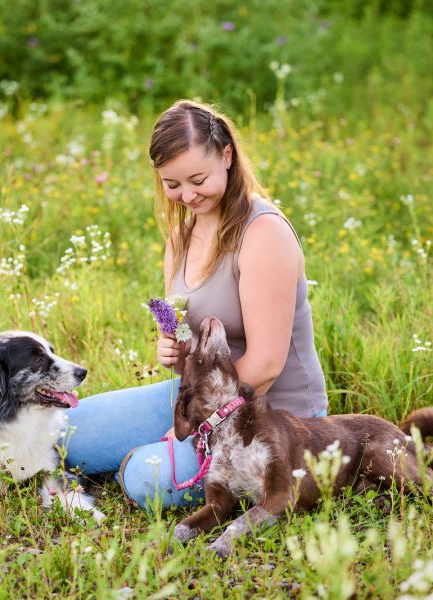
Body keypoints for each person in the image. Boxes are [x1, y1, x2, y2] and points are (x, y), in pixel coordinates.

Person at [63, 99, 328, 510]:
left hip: (273, 416)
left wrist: (195, 425)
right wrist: (174, 347)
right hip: (201, 398)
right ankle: (155, 449)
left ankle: (154, 458)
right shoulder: (181, 237)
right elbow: (187, 333)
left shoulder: (263, 234)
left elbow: (265, 366)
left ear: (226, 156)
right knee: (65, 431)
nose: (186, 194)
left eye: (197, 179)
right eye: (172, 184)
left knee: (145, 479)